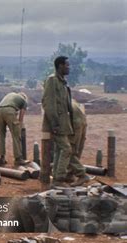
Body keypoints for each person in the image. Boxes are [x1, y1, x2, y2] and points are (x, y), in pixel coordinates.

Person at [42, 56, 89, 187]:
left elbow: (65, 106)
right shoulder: (52, 80)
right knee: (66, 149)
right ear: (60, 66)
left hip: (64, 123)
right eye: (67, 65)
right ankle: (79, 174)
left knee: (60, 150)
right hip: (57, 123)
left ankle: (57, 178)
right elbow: (48, 103)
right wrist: (55, 123)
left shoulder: (63, 82)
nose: (69, 67)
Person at [0, 92, 29, 166]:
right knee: (16, 135)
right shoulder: (24, 101)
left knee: (2, 135)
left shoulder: (11, 95)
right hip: (9, 111)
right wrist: (19, 128)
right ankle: (18, 159)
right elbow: (20, 119)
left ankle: (1, 157)